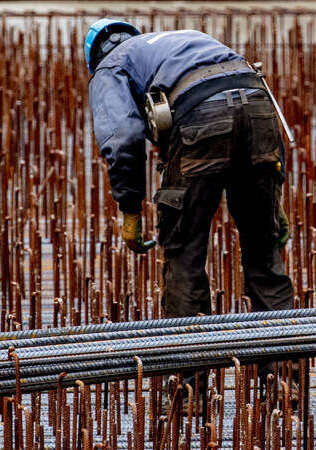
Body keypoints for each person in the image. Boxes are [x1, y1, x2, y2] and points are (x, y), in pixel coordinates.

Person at [84, 19, 294, 403]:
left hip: (201, 119)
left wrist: (130, 209)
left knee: (184, 255)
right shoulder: (187, 40)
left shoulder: (110, 66)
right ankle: (283, 384)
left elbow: (123, 136)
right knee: (266, 257)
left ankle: (189, 387)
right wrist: (273, 205)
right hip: (260, 111)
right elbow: (251, 101)